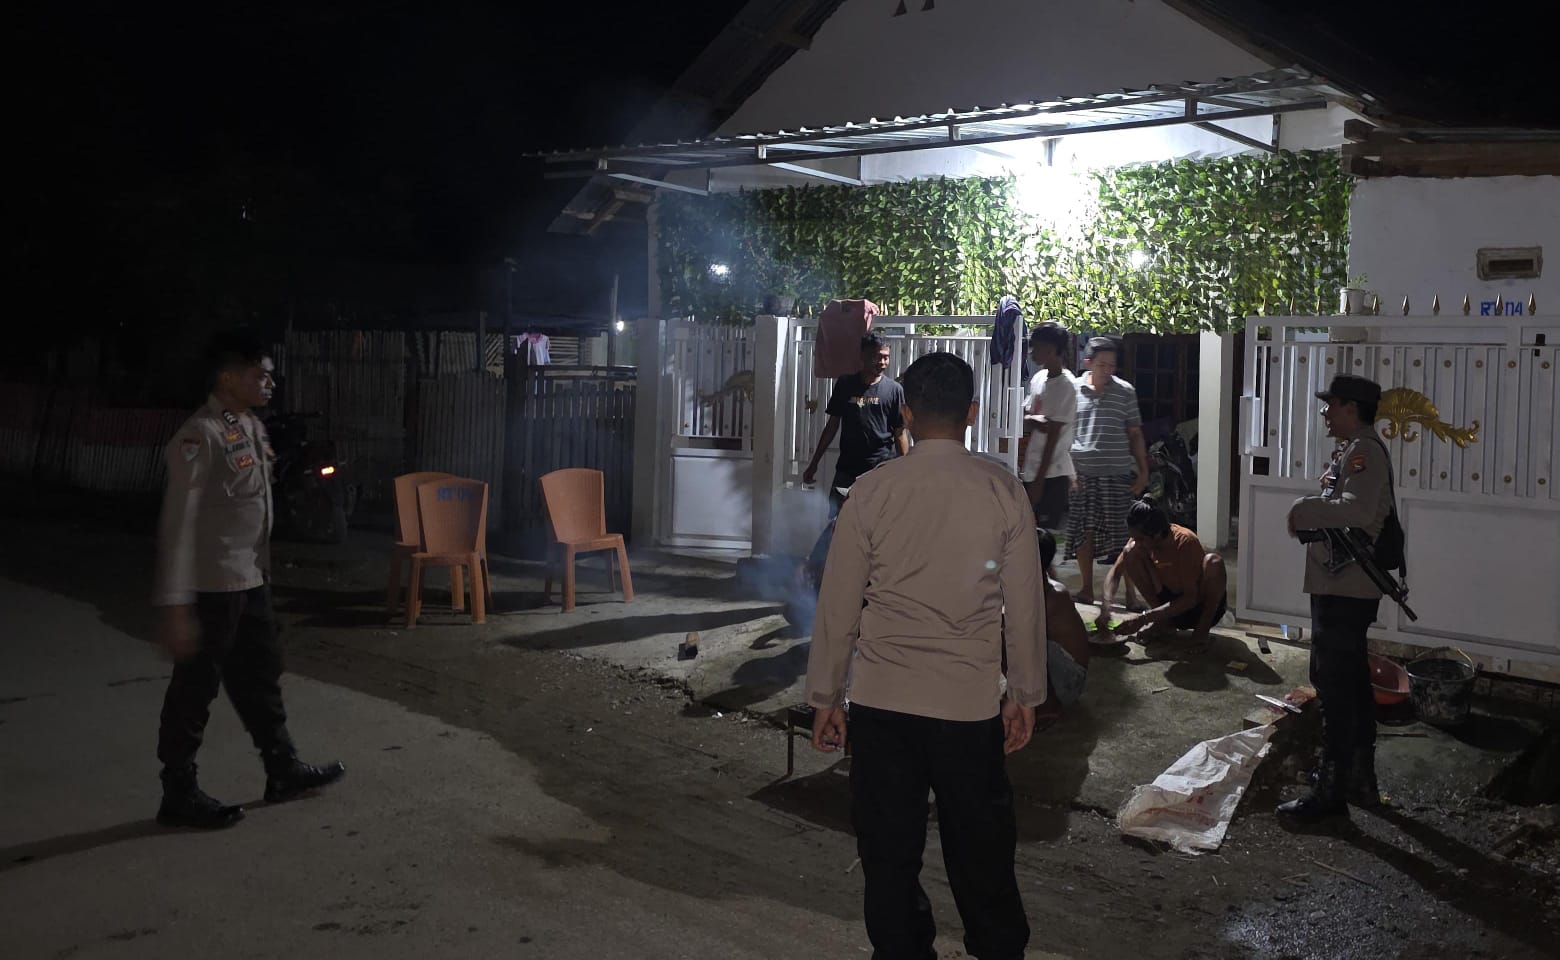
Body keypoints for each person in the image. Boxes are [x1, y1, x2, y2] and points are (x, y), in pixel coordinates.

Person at [805, 351, 1045, 960]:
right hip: (967, 708)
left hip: (882, 704)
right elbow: (1024, 606)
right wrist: (1024, 694)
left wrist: (826, 697)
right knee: (983, 853)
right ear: (972, 413)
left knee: (888, 857)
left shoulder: (871, 492)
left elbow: (838, 605)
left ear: (905, 414)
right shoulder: (1003, 490)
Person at [152, 332, 344, 829]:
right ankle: (178, 790)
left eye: (270, 375)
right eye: (260, 374)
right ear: (227, 377)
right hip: (212, 585)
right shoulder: (200, 436)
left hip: (250, 579)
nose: (270, 383)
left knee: (260, 675)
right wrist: (176, 604)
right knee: (196, 688)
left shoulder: (250, 426)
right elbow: (178, 524)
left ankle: (282, 768)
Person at [1279, 374, 1394, 821]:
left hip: (1346, 587)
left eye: (1333, 405)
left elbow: (1358, 510)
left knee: (1334, 686)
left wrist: (1303, 508)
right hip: (1341, 583)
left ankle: (1330, 794)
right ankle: (1359, 780)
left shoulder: (1365, 451)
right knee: (1352, 683)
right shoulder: (1352, 449)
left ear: (1352, 408)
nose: (1325, 412)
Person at [1065, 337, 1149, 605]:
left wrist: (1143, 471)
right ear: (1088, 363)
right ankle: (1087, 588)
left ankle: (1131, 595)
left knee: (1124, 536)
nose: (1108, 370)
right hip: (1082, 473)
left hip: (1117, 473)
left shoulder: (1125, 391)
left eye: (1112, 365)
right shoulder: (1073, 390)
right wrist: (1068, 471)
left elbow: (1135, 434)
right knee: (1084, 532)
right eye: (1102, 364)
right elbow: (1065, 432)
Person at [1096, 498, 1228, 646]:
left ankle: (1201, 631)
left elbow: (1190, 599)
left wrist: (1144, 619)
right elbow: (1115, 573)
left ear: (1157, 534)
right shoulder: (1140, 543)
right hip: (1169, 606)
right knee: (1130, 552)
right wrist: (1105, 607)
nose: (1137, 543)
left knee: (1214, 563)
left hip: (1197, 607)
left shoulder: (1184, 542)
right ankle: (1163, 623)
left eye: (1141, 539)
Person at [802, 335, 909, 516]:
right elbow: (832, 426)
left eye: (886, 357)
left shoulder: (894, 390)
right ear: (863, 356)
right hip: (847, 468)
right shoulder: (845, 384)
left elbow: (900, 433)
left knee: (878, 519)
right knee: (837, 518)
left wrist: (907, 469)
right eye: (877, 357)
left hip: (881, 468)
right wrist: (814, 463)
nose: (882, 362)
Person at [1019, 322, 1077, 533]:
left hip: (1052, 474)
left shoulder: (1067, 385)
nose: (1032, 352)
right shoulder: (1039, 378)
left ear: (1051, 349)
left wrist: (1039, 482)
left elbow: (1052, 436)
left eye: (1036, 347)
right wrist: (1036, 420)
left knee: (1045, 536)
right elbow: (1026, 417)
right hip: (1032, 470)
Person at [1035, 530, 1090, 731]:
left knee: (1007, 637)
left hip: (1067, 683)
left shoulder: (1053, 595)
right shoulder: (1035, 584)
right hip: (1058, 673)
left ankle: (1046, 703)